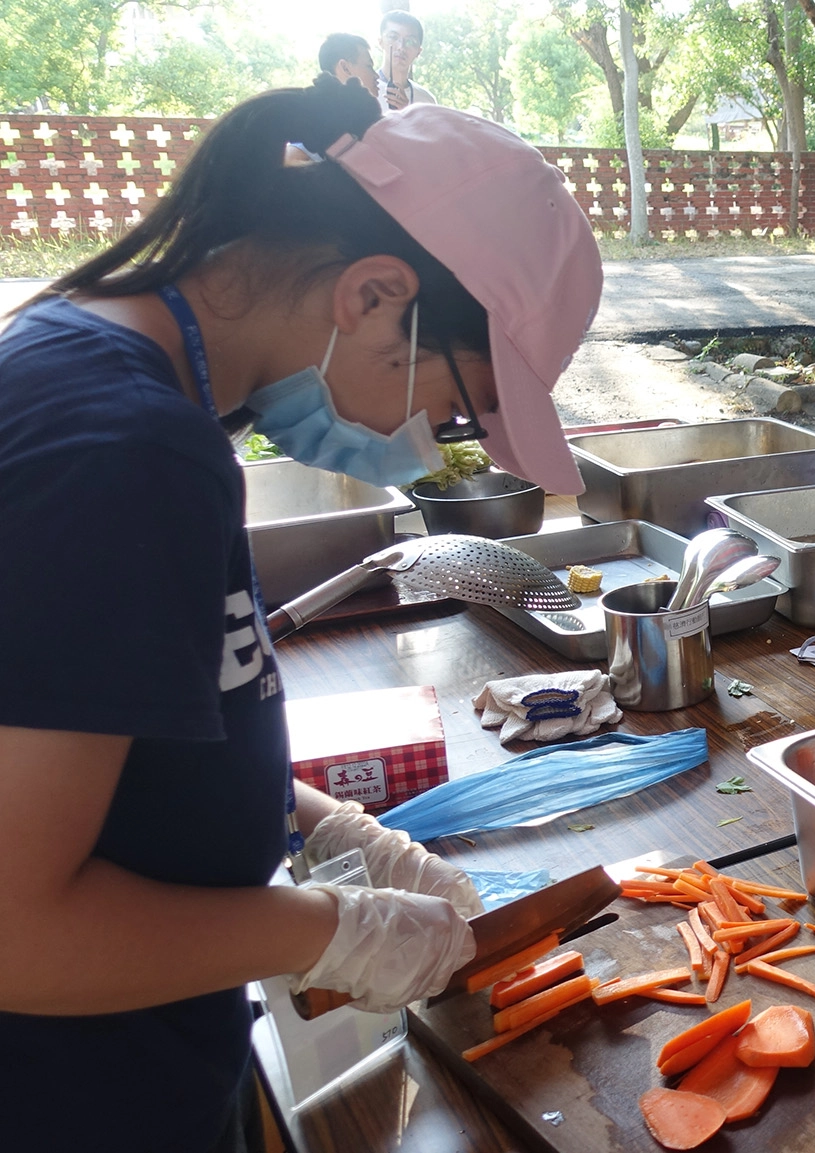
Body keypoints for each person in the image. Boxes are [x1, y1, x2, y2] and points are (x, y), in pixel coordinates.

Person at [0, 82, 602, 1152]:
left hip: (149, 1053)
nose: (428, 442)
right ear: (373, 294)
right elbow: (16, 928)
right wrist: (331, 929)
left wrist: (329, 829)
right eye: (451, 407)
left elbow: (104, 747)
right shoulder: (121, 448)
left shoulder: (121, 379)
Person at [377, 10, 437, 111]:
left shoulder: (426, 101)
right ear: (380, 42)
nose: (401, 47)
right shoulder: (362, 90)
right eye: (393, 37)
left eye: (410, 41)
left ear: (419, 51)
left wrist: (408, 112)